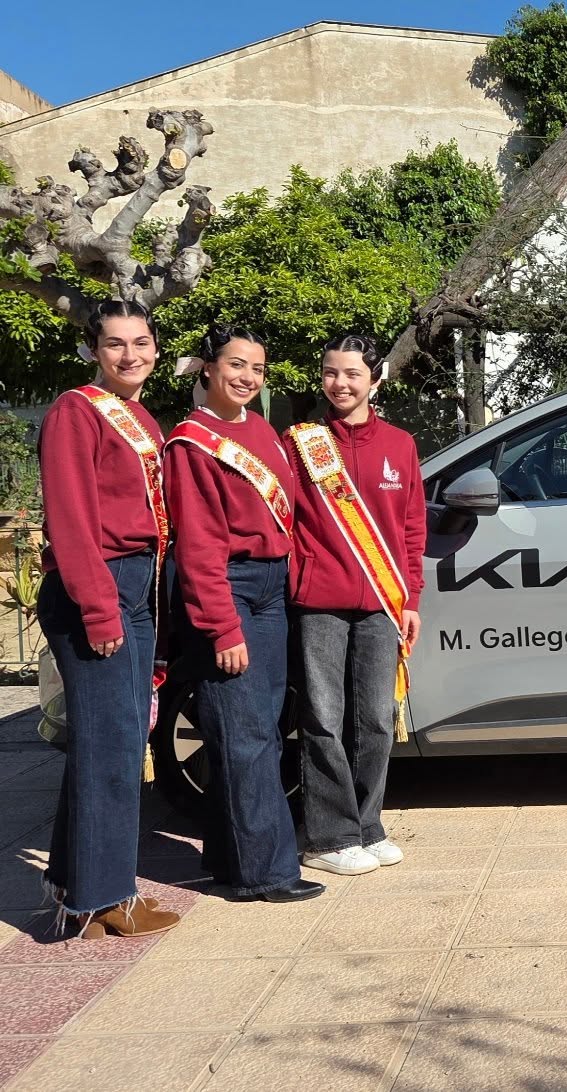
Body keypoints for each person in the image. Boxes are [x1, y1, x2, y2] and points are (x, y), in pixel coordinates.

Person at [35, 300, 182, 938]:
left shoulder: (140, 416)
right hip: (95, 584)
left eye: (142, 342)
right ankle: (105, 898)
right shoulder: (77, 410)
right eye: (116, 344)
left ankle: (78, 889)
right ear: (95, 350)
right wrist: (99, 610)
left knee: (112, 742)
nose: (131, 355)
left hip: (135, 582)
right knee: (112, 746)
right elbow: (70, 518)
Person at [163, 324, 323, 903]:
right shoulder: (191, 442)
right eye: (235, 364)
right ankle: (268, 873)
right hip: (229, 587)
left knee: (257, 725)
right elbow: (198, 544)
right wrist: (221, 624)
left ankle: (232, 860)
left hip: (272, 587)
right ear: (208, 367)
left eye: (256, 368)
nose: (247, 377)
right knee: (244, 732)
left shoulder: (264, 431)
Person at [286, 334, 425, 876]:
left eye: (351, 374)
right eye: (329, 373)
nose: (339, 384)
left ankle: (368, 825)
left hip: (382, 604)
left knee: (375, 718)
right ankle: (328, 836)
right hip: (319, 601)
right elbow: (287, 521)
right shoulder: (301, 444)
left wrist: (411, 597)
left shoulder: (400, 445)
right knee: (322, 717)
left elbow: (412, 529)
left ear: (375, 379)